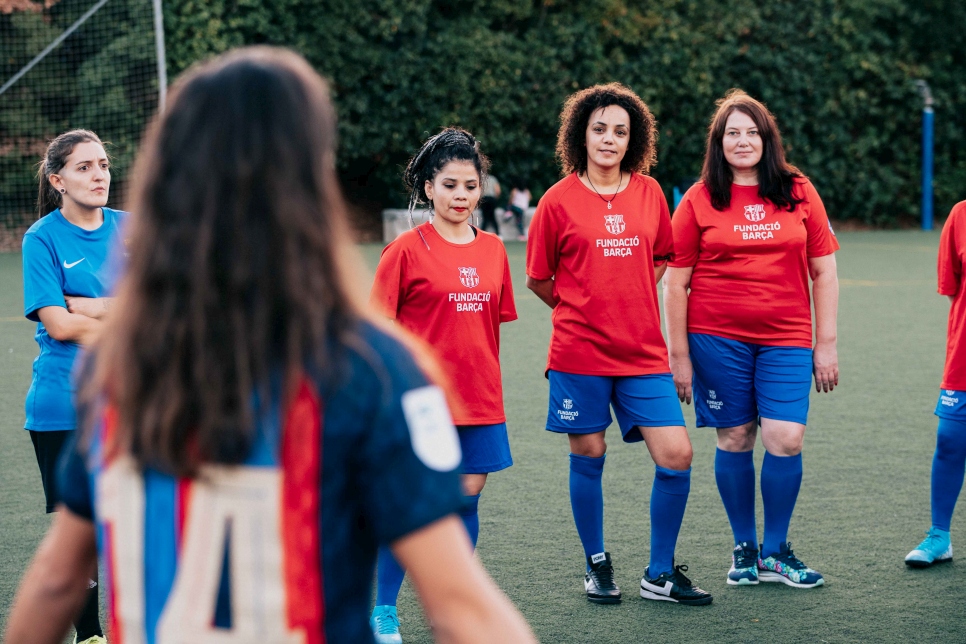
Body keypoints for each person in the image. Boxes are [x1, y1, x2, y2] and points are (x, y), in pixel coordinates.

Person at [5, 47, 536, 644]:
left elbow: (55, 581)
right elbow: (461, 606)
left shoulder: (119, 367)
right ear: (311, 174)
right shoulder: (375, 371)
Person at [526, 82, 712, 606]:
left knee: (676, 454)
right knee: (590, 451)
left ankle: (658, 574)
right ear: (581, 134)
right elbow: (540, 278)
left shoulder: (650, 193)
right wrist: (584, 306)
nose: (609, 139)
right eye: (600, 129)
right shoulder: (556, 201)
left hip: (641, 353)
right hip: (578, 352)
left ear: (634, 140)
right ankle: (596, 562)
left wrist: (625, 296)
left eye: (620, 131)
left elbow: (662, 256)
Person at [663, 89, 839, 589]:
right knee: (736, 436)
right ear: (718, 143)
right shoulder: (699, 198)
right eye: (732, 133)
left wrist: (825, 344)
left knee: (786, 437)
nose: (743, 141)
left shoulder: (798, 190)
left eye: (752, 132)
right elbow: (675, 282)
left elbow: (824, 272)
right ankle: (744, 549)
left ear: (767, 139)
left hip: (787, 336)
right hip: (717, 339)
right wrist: (679, 356)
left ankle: (775, 550)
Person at [369, 127, 518, 643]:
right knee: (415, 503)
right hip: (421, 404)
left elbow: (489, 329)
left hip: (480, 398)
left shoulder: (495, 249)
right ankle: (384, 609)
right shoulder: (404, 251)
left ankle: (448, 603)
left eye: (470, 186)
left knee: (466, 500)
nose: (461, 196)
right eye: (450, 185)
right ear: (429, 188)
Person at [19, 128, 125, 644]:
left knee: (135, 521)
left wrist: (88, 305)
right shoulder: (41, 238)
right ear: (57, 179)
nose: (99, 174)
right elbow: (58, 326)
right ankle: (90, 636)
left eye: (103, 164)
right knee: (80, 536)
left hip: (133, 402)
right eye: (84, 167)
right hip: (63, 405)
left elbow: (167, 305)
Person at [905, 200, 966, 568]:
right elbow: (951, 289)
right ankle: (939, 536)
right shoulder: (960, 215)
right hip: (963, 358)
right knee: (949, 440)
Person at [505, 176, 531, 241]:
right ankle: (522, 235)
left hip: (516, 207)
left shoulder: (515, 190)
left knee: (508, 205)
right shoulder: (526, 191)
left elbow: (511, 200)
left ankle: (509, 212)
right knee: (519, 221)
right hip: (523, 208)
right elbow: (530, 198)